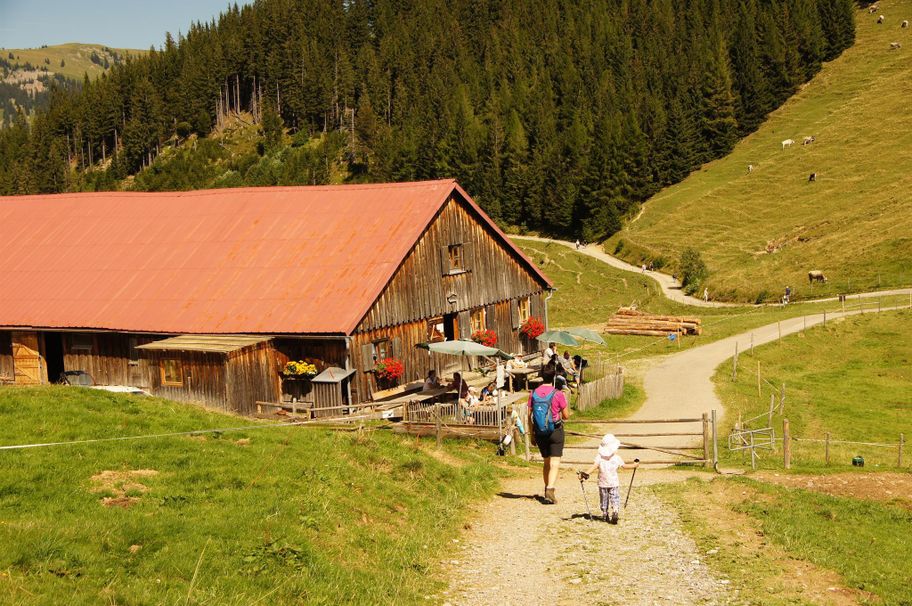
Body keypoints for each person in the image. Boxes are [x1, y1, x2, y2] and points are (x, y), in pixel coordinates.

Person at [579, 433, 639, 524]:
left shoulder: (599, 457)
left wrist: (585, 474)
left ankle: (604, 513)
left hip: (602, 483)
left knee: (604, 498)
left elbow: (594, 467)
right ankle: (615, 511)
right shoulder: (616, 458)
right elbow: (624, 466)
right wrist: (634, 465)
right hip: (614, 483)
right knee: (615, 497)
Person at [529, 375, 571, 504]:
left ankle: (547, 489)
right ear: (553, 379)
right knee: (555, 462)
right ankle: (550, 488)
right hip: (555, 430)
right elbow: (566, 416)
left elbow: (529, 415)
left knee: (546, 462)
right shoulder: (557, 394)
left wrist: (532, 434)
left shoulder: (533, 393)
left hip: (540, 432)